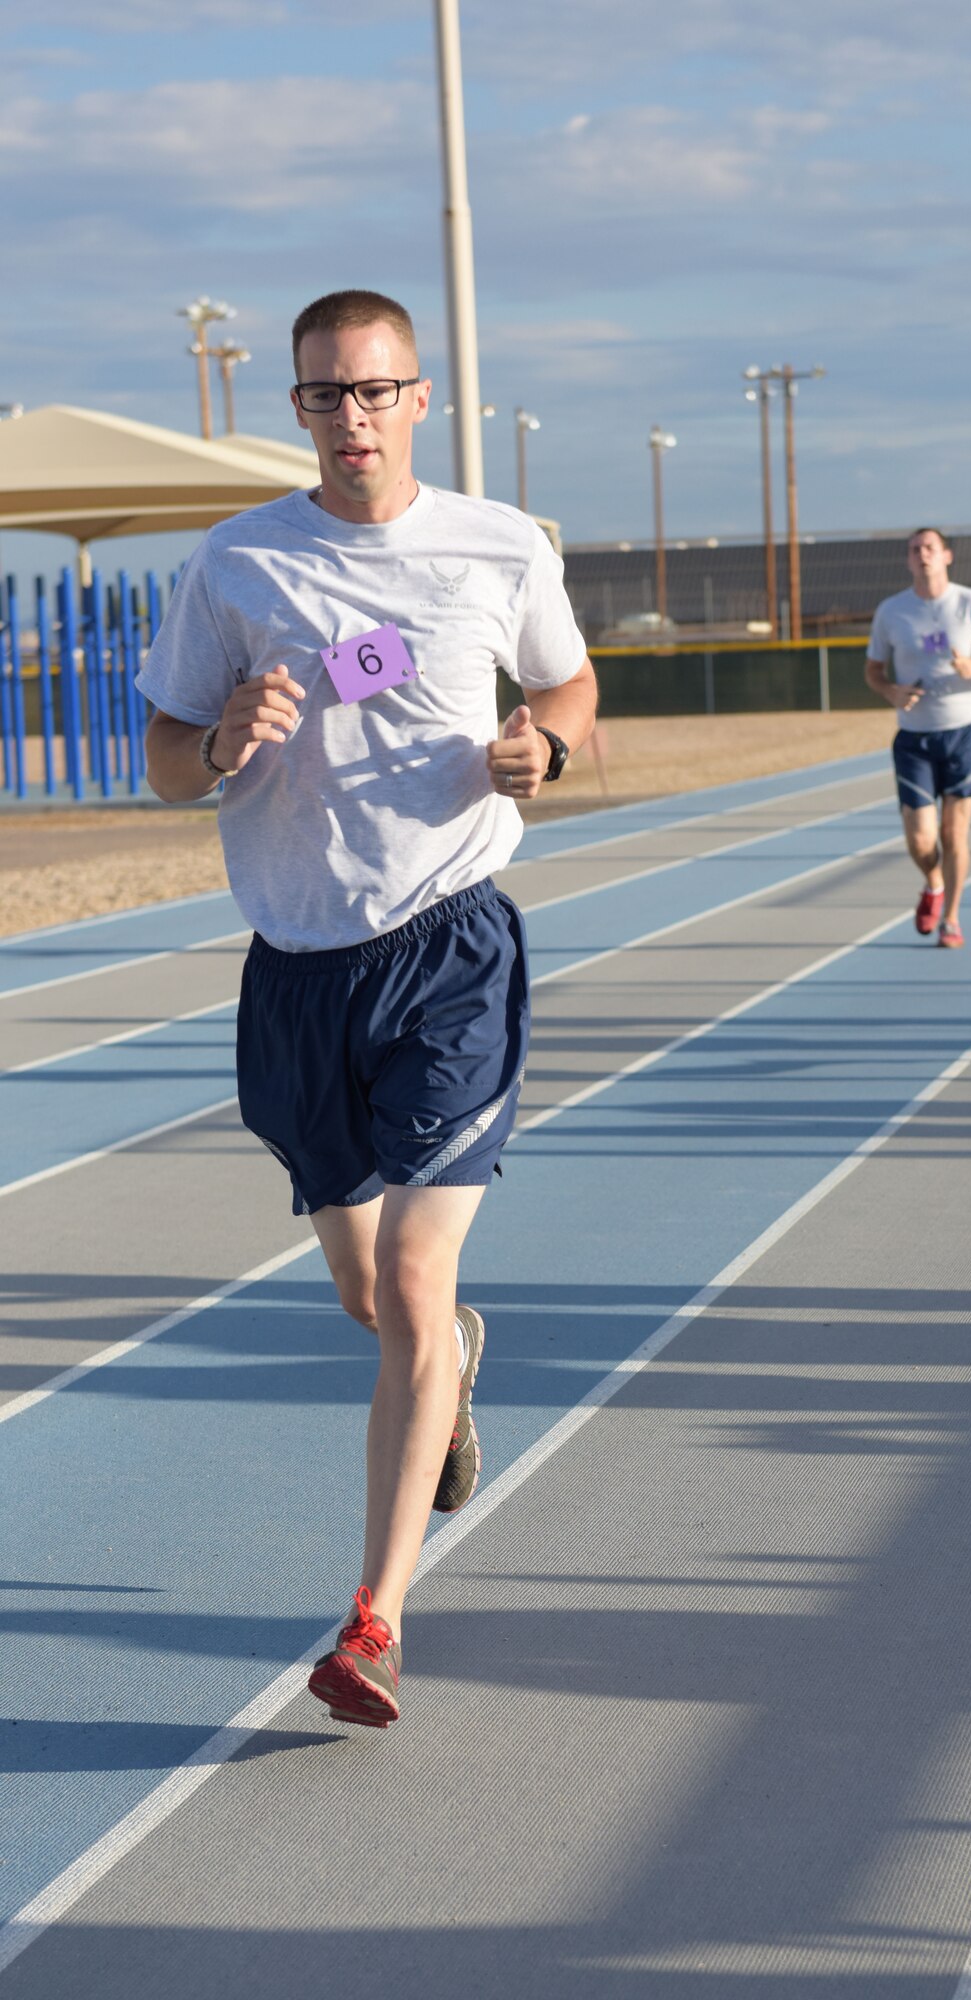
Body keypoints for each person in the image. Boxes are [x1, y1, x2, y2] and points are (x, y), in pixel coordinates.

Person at [136, 289, 598, 1728]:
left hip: (450, 944)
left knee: (409, 1278)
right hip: (297, 969)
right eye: (325, 396)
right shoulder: (236, 565)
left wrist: (545, 749)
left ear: (420, 396)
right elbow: (159, 760)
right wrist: (218, 740)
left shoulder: (498, 544)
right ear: (298, 409)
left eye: (374, 391)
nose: (352, 418)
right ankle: (451, 1367)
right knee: (370, 1298)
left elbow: (572, 687)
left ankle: (372, 1620)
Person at [866, 527, 971, 947]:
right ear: (907, 560)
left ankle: (950, 918)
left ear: (947, 556)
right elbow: (873, 671)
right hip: (915, 736)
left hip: (965, 731)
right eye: (915, 550)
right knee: (919, 839)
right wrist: (891, 691)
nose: (923, 555)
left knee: (954, 834)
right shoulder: (892, 611)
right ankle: (934, 882)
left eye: (930, 548)